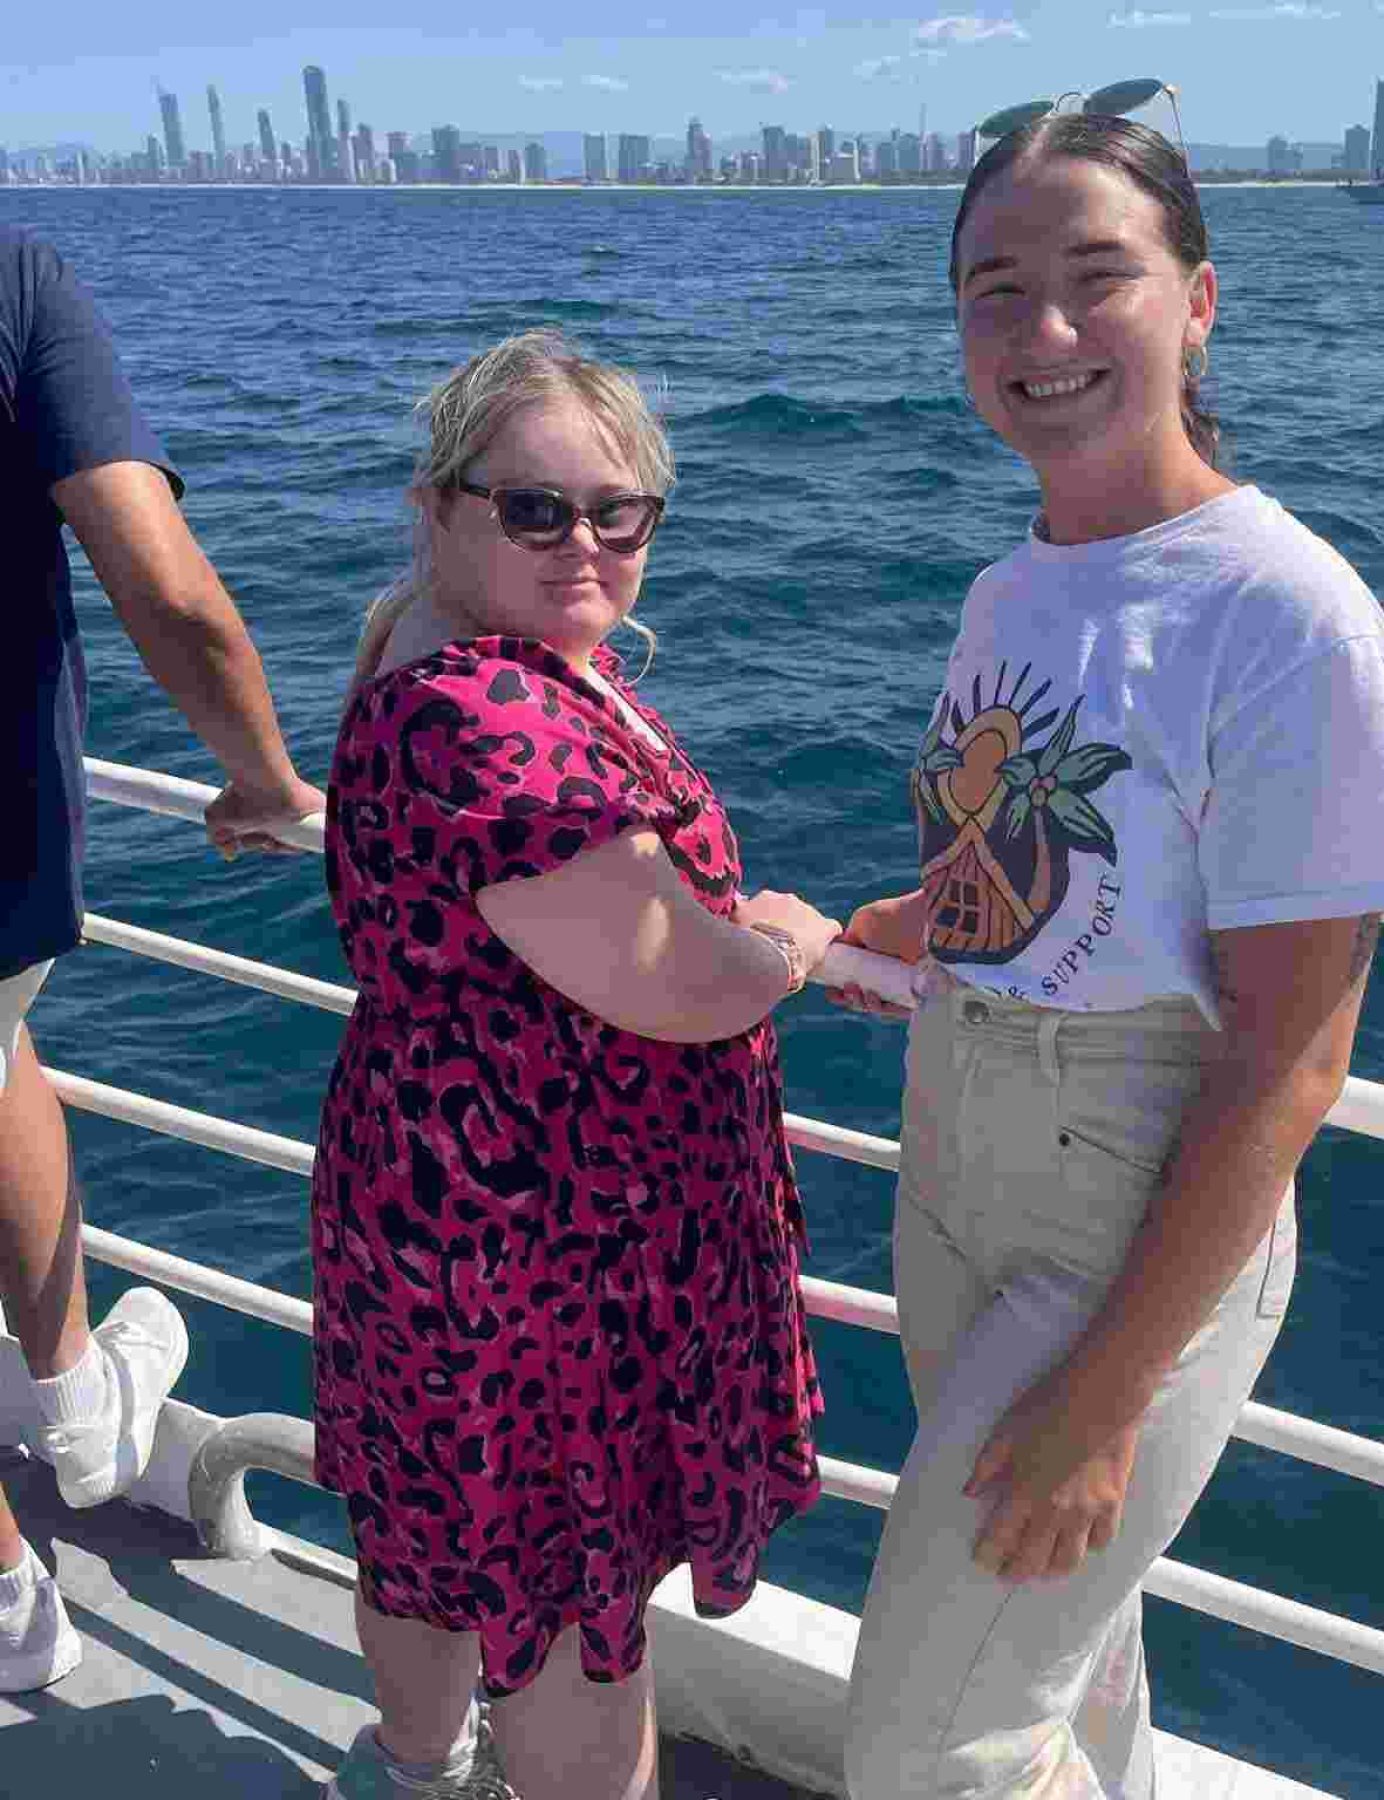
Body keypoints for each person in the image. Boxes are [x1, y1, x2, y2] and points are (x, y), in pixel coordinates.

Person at [833, 115, 1384, 1797]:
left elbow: (1291, 1057)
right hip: (953, 1162)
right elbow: (1027, 875)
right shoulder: (1012, 589)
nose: (1042, 330)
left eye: (1096, 276)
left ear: (1199, 301)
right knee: (1068, 1655)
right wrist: (874, 933)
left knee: (930, 1745)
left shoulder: (1283, 614)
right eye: (995, 289)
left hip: (1130, 1211)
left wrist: (1110, 1395)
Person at [313, 330, 839, 1800]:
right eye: (535, 510)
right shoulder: (485, 714)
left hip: (433, 1207)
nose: (584, 544)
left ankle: (410, 1773)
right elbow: (676, 984)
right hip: (543, 1252)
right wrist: (792, 943)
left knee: (433, 1536)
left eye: (620, 512)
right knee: (568, 1611)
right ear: (439, 508)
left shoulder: (431, 636)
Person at [0, 226, 323, 1694]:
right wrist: (263, 776)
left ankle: (73, 1403)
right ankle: (16, 1598)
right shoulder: (15, 278)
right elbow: (165, 586)